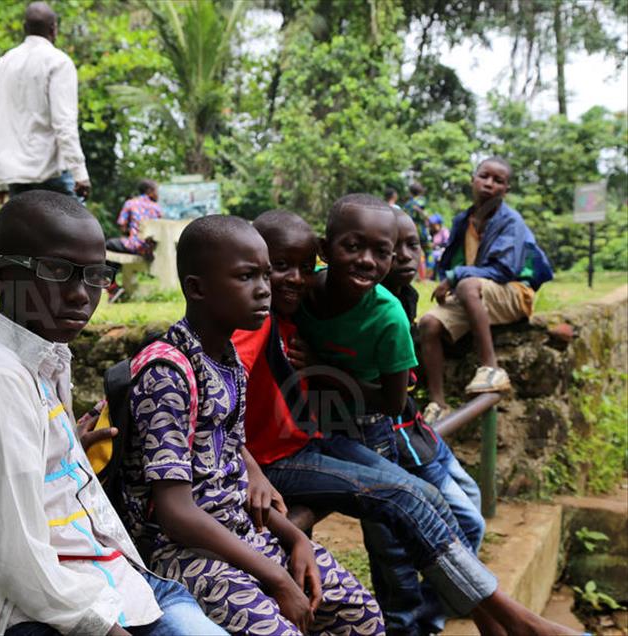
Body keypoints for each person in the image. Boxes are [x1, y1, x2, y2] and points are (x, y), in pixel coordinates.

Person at [242, 200, 575, 635]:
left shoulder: (311, 312)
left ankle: (490, 616)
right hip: (278, 458)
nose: (295, 279)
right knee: (399, 509)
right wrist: (249, 468)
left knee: (424, 495)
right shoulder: (255, 321)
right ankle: (512, 619)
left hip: (315, 438)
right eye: (277, 267)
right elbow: (218, 401)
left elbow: (387, 398)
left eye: (304, 267)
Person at [0, 191, 224, 636]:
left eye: (96, 275)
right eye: (57, 272)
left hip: (120, 585)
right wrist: (108, 631)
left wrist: (62, 454)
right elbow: (18, 560)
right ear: (0, 275)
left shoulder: (43, 361)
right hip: (36, 615)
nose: (82, 294)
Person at [120, 215, 384, 635]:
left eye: (265, 274)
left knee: (360, 614)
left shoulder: (228, 362)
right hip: (185, 554)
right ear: (197, 288)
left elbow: (234, 478)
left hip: (242, 535)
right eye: (246, 276)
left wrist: (296, 539)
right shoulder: (166, 371)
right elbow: (175, 513)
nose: (265, 288)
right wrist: (277, 578)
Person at [359, 209, 486, 634]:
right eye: (395, 248)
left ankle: (439, 607)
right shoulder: (364, 309)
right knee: (394, 552)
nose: (408, 255)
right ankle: (423, 620)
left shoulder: (405, 297)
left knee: (469, 518)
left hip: (418, 434)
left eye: (414, 244)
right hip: (388, 446)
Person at [419, 157, 553, 425]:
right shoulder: (463, 220)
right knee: (428, 323)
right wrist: (452, 277)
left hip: (514, 291)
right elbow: (455, 264)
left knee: (467, 285)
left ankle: (491, 368)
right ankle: (438, 403)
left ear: (506, 189)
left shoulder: (510, 221)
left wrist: (455, 277)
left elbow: (503, 270)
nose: (489, 184)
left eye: (498, 181)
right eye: (484, 177)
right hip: (477, 292)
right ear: (473, 180)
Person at [0, 2, 91, 204]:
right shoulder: (59, 62)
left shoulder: (5, 62)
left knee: (23, 234)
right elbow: (64, 123)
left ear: (25, 29)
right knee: (80, 234)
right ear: (54, 29)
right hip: (52, 174)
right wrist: (80, 173)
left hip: (17, 176)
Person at [105, 179, 163, 303]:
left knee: (108, 245)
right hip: (150, 250)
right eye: (156, 191)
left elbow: (122, 225)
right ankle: (115, 287)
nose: (158, 194)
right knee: (116, 247)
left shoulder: (130, 203)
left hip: (135, 246)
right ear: (149, 192)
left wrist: (130, 232)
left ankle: (112, 286)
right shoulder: (157, 208)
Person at [403, 183, 430, 280]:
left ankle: (414, 275)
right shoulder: (421, 200)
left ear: (410, 192)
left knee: (412, 251)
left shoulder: (407, 204)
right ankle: (424, 276)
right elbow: (424, 213)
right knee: (426, 252)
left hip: (409, 230)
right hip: (421, 230)